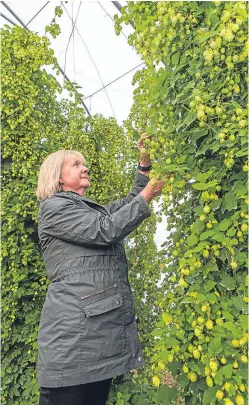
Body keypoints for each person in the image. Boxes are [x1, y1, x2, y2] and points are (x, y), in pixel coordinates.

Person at [36, 135, 164, 405]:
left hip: (93, 338)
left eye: (84, 163)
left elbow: (125, 206)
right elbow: (105, 230)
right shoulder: (53, 209)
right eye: (75, 164)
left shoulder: (85, 209)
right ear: (58, 178)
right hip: (71, 342)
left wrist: (144, 167)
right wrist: (149, 193)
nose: (85, 168)